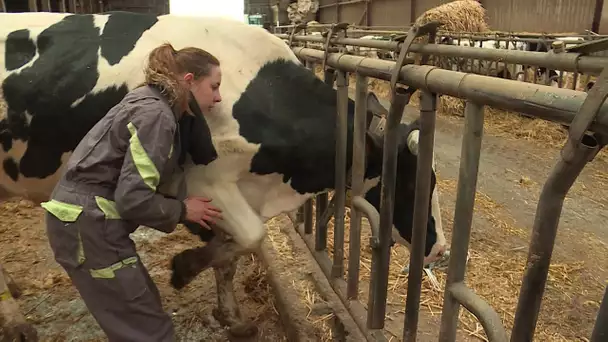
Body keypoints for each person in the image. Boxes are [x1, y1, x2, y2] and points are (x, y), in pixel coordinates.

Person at [40, 43, 223, 342]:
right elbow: (132, 198)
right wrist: (183, 210)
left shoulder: (147, 101)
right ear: (189, 80)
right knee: (149, 332)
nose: (218, 97)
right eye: (214, 87)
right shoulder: (157, 115)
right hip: (90, 226)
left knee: (142, 316)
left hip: (87, 222)